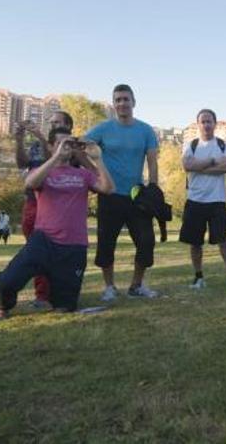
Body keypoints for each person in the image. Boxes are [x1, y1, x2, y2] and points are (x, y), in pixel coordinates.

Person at [0, 128, 113, 319]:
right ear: (50, 146)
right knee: (6, 283)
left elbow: (108, 188)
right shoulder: (42, 171)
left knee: (65, 307)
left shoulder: (83, 175)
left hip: (74, 246)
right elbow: (30, 183)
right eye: (60, 144)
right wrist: (55, 158)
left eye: (69, 144)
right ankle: (4, 306)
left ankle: (60, 298)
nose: (66, 148)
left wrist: (98, 159)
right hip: (43, 242)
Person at [84, 84, 160, 300]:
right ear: (113, 104)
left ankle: (136, 286)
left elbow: (153, 162)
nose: (122, 103)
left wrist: (153, 189)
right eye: (117, 100)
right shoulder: (102, 129)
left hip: (137, 196)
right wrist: (94, 172)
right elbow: (79, 146)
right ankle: (109, 287)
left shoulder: (146, 130)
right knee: (106, 243)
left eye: (126, 99)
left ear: (133, 102)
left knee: (146, 241)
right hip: (109, 195)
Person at [180, 109, 226, 289]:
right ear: (198, 124)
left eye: (209, 121)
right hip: (195, 200)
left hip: (217, 201)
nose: (206, 125)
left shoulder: (225, 145)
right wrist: (213, 161)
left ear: (215, 124)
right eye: (203, 122)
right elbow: (186, 165)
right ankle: (198, 277)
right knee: (195, 243)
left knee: (223, 241)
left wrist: (199, 166)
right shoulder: (189, 145)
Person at [15, 112, 71, 308]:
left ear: (68, 126)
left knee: (60, 251)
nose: (53, 125)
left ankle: (58, 292)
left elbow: (54, 161)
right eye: (51, 122)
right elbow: (22, 164)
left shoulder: (71, 147)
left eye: (57, 122)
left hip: (57, 205)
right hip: (33, 202)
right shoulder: (38, 145)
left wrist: (40, 136)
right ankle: (42, 295)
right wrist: (19, 139)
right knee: (36, 249)